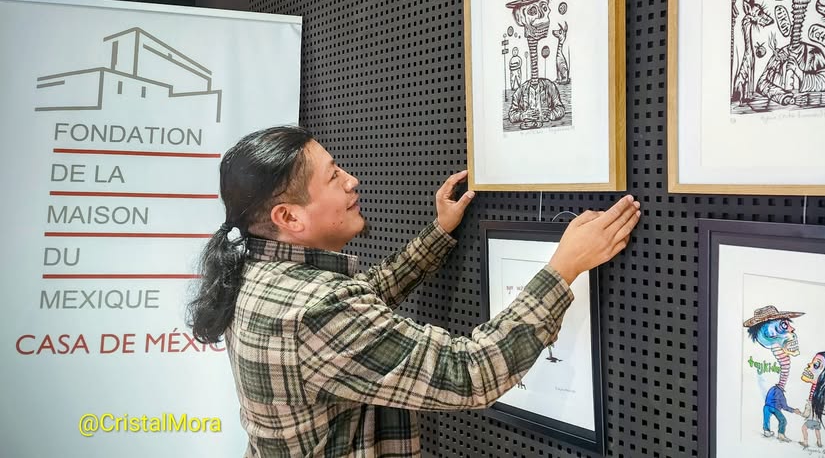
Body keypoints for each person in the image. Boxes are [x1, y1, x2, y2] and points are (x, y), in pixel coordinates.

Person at [187, 125, 641, 457]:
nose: (351, 181)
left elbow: (368, 295)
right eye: (332, 177)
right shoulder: (315, 309)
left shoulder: (261, 275)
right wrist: (563, 267)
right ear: (289, 218)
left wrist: (439, 232)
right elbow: (470, 373)